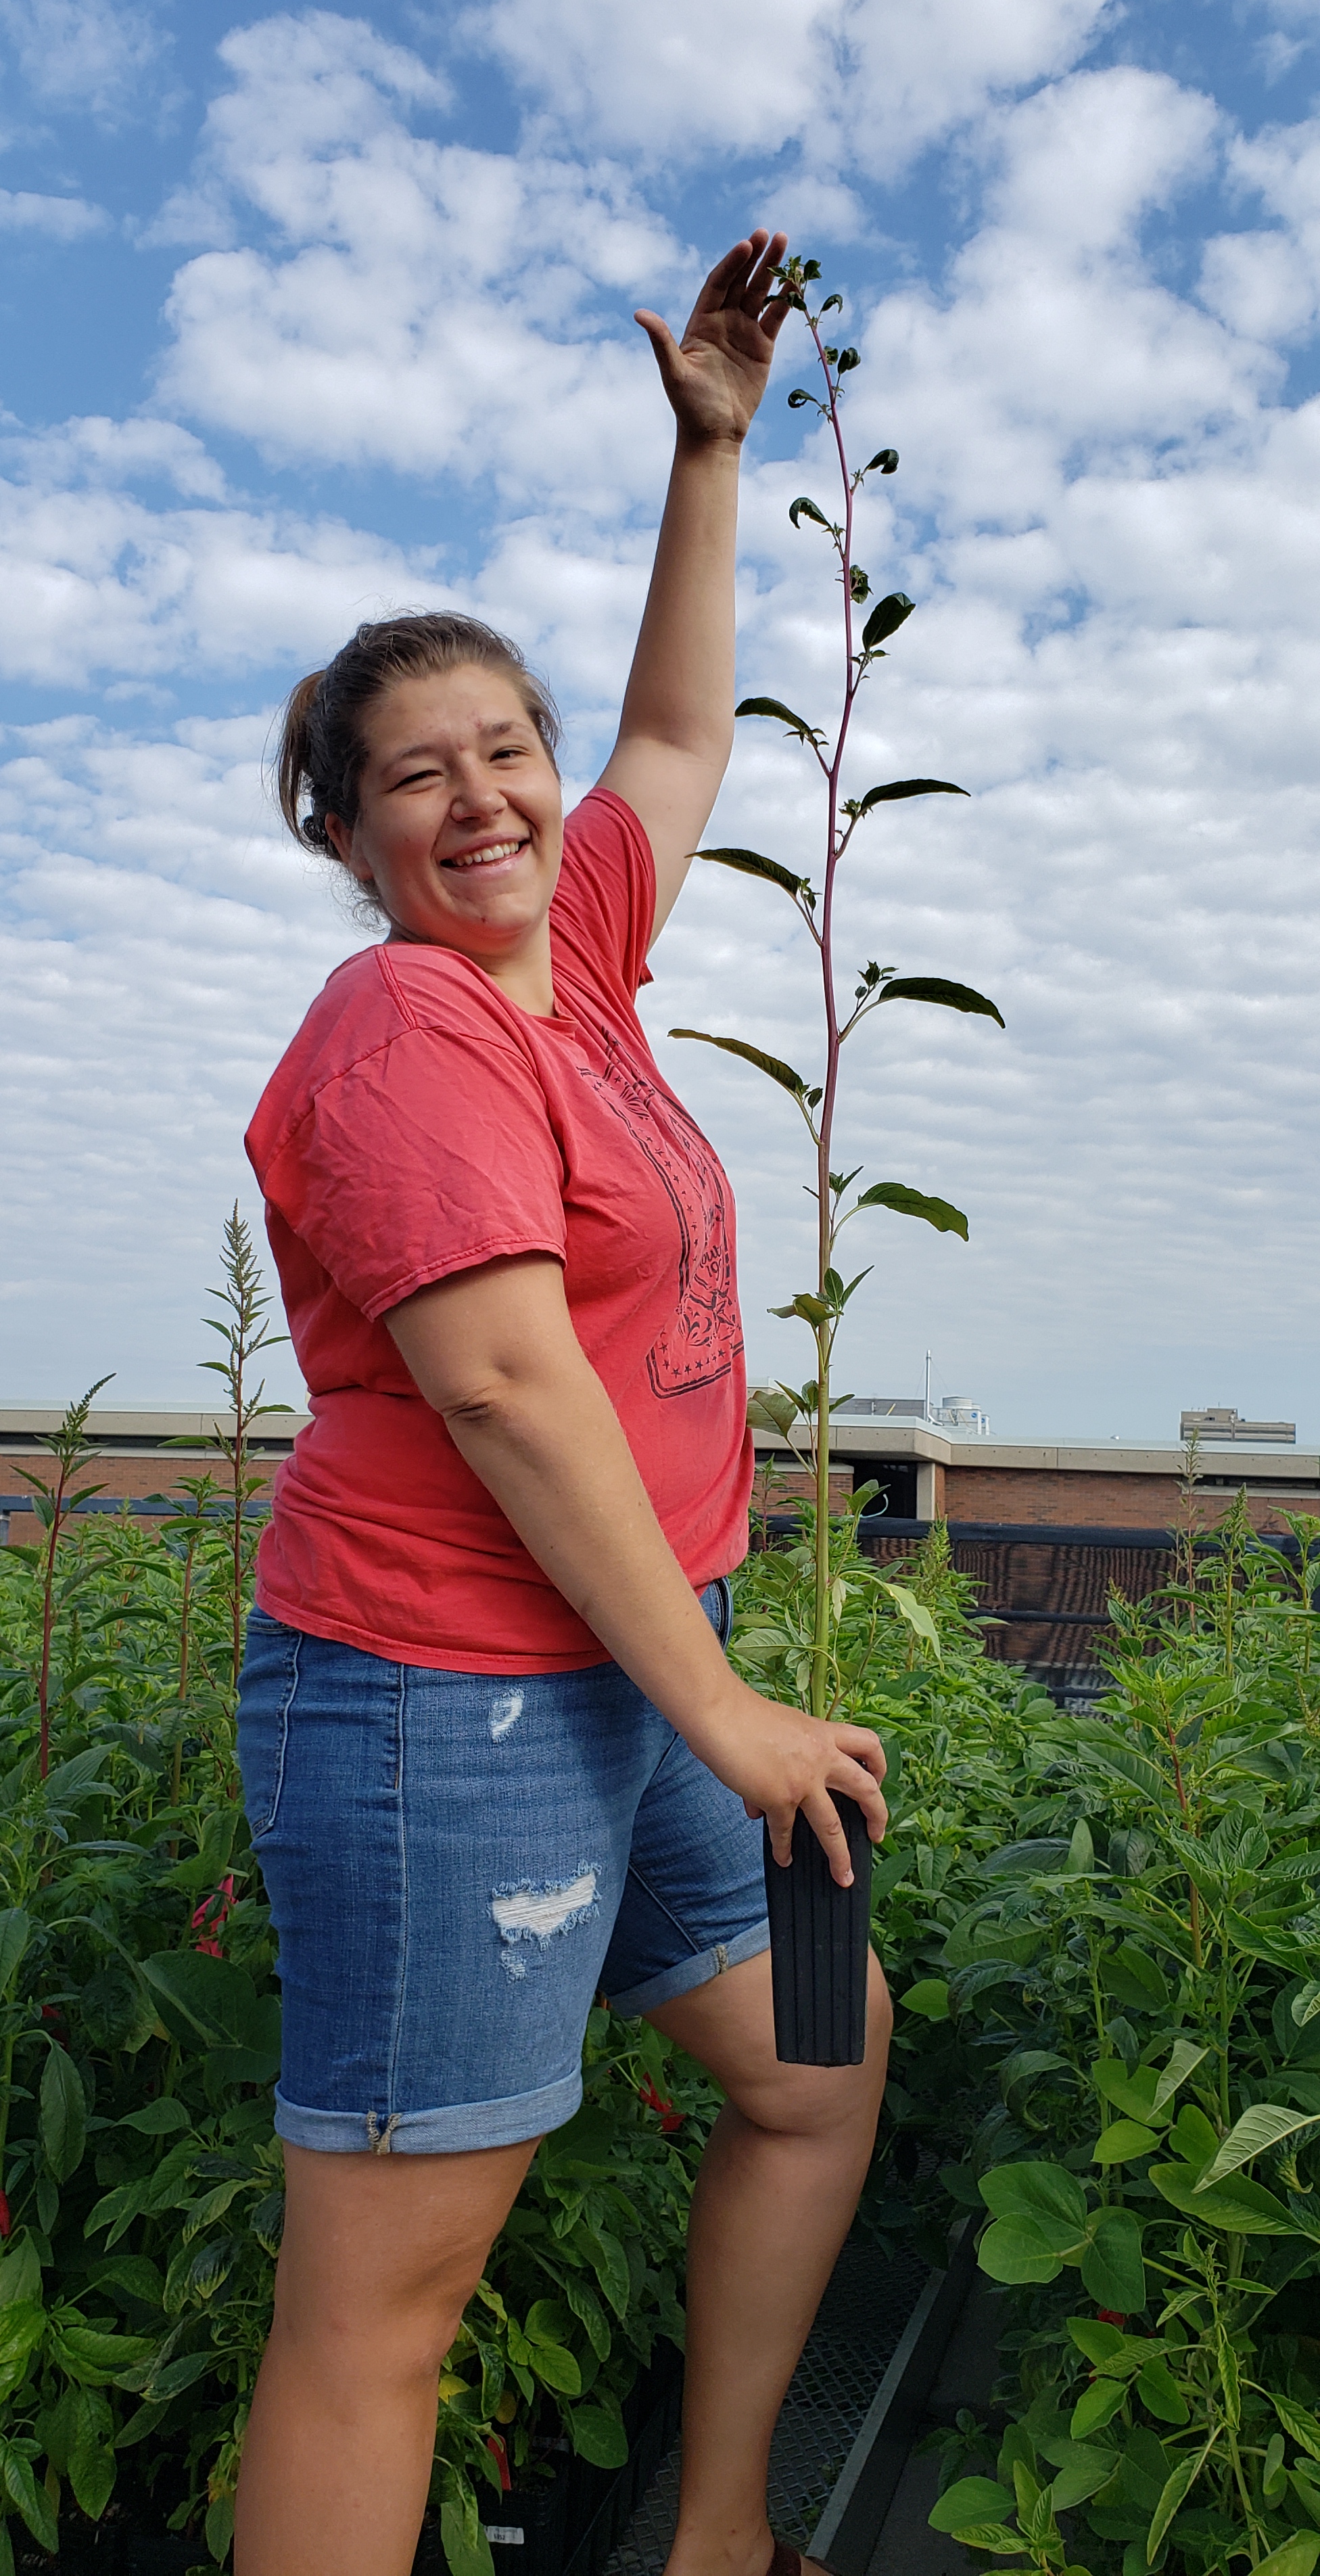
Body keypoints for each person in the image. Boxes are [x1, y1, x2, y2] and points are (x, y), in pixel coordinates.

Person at [235, 231, 891, 2576]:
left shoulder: (577, 964)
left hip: (639, 1668)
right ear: (347, 836)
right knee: (382, 2311)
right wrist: (726, 1711)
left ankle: (717, 2540)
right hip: (442, 1701)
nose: (489, 800)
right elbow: (509, 1387)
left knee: (818, 2065)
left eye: (502, 748)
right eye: (417, 779)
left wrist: (708, 453)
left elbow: (684, 742)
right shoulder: (404, 1029)